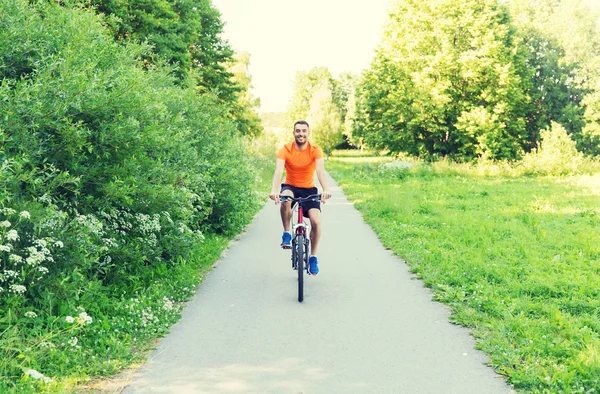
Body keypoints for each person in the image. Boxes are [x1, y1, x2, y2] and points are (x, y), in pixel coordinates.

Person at [269, 120, 332, 275]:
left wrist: (326, 189)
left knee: (316, 222)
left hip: (309, 189)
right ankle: (286, 233)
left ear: (308, 133)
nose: (301, 134)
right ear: (293, 133)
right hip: (290, 186)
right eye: (298, 131)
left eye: (304, 131)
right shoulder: (285, 150)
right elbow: (278, 171)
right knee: (285, 199)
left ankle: (313, 257)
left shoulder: (315, 150)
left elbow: (320, 172)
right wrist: (274, 190)